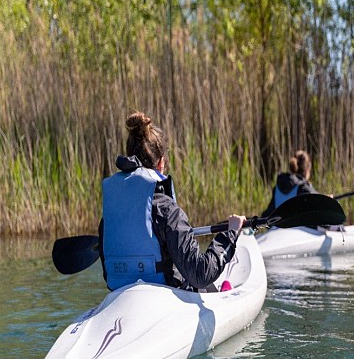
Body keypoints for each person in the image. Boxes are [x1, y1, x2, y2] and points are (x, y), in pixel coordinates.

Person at [98, 111, 245, 292]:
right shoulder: (167, 210)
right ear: (161, 163)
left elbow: (108, 275)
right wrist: (230, 234)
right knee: (208, 285)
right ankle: (224, 290)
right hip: (163, 301)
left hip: (121, 299)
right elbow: (200, 275)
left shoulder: (110, 215)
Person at [262, 150, 319, 217]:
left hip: (278, 226)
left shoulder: (278, 188)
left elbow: (267, 214)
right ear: (307, 170)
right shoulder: (304, 188)